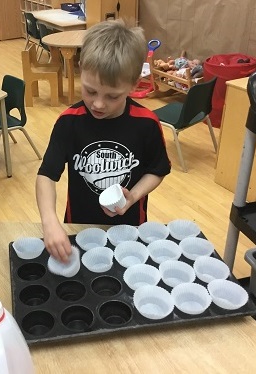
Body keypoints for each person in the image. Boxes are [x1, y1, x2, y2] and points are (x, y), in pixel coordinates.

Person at [36, 20, 171, 262]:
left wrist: (133, 195)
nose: (98, 104)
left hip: (131, 230)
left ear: (133, 84)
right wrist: (49, 222)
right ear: (80, 70)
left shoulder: (146, 123)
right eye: (90, 91)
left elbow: (158, 169)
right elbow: (46, 175)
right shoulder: (69, 122)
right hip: (79, 227)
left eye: (112, 96)